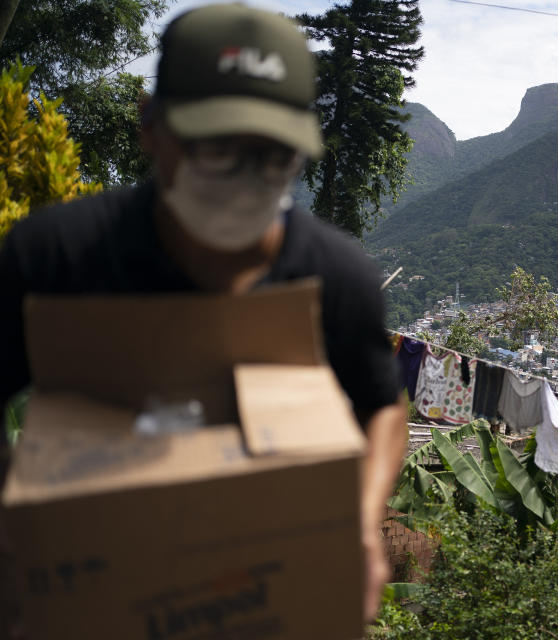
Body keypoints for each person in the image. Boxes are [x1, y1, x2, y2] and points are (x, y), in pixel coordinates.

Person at [0, 3, 406, 627]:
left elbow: (382, 404)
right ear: (150, 128)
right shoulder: (55, 259)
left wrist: (359, 524)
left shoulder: (337, 280)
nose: (244, 181)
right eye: (216, 148)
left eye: (272, 155)